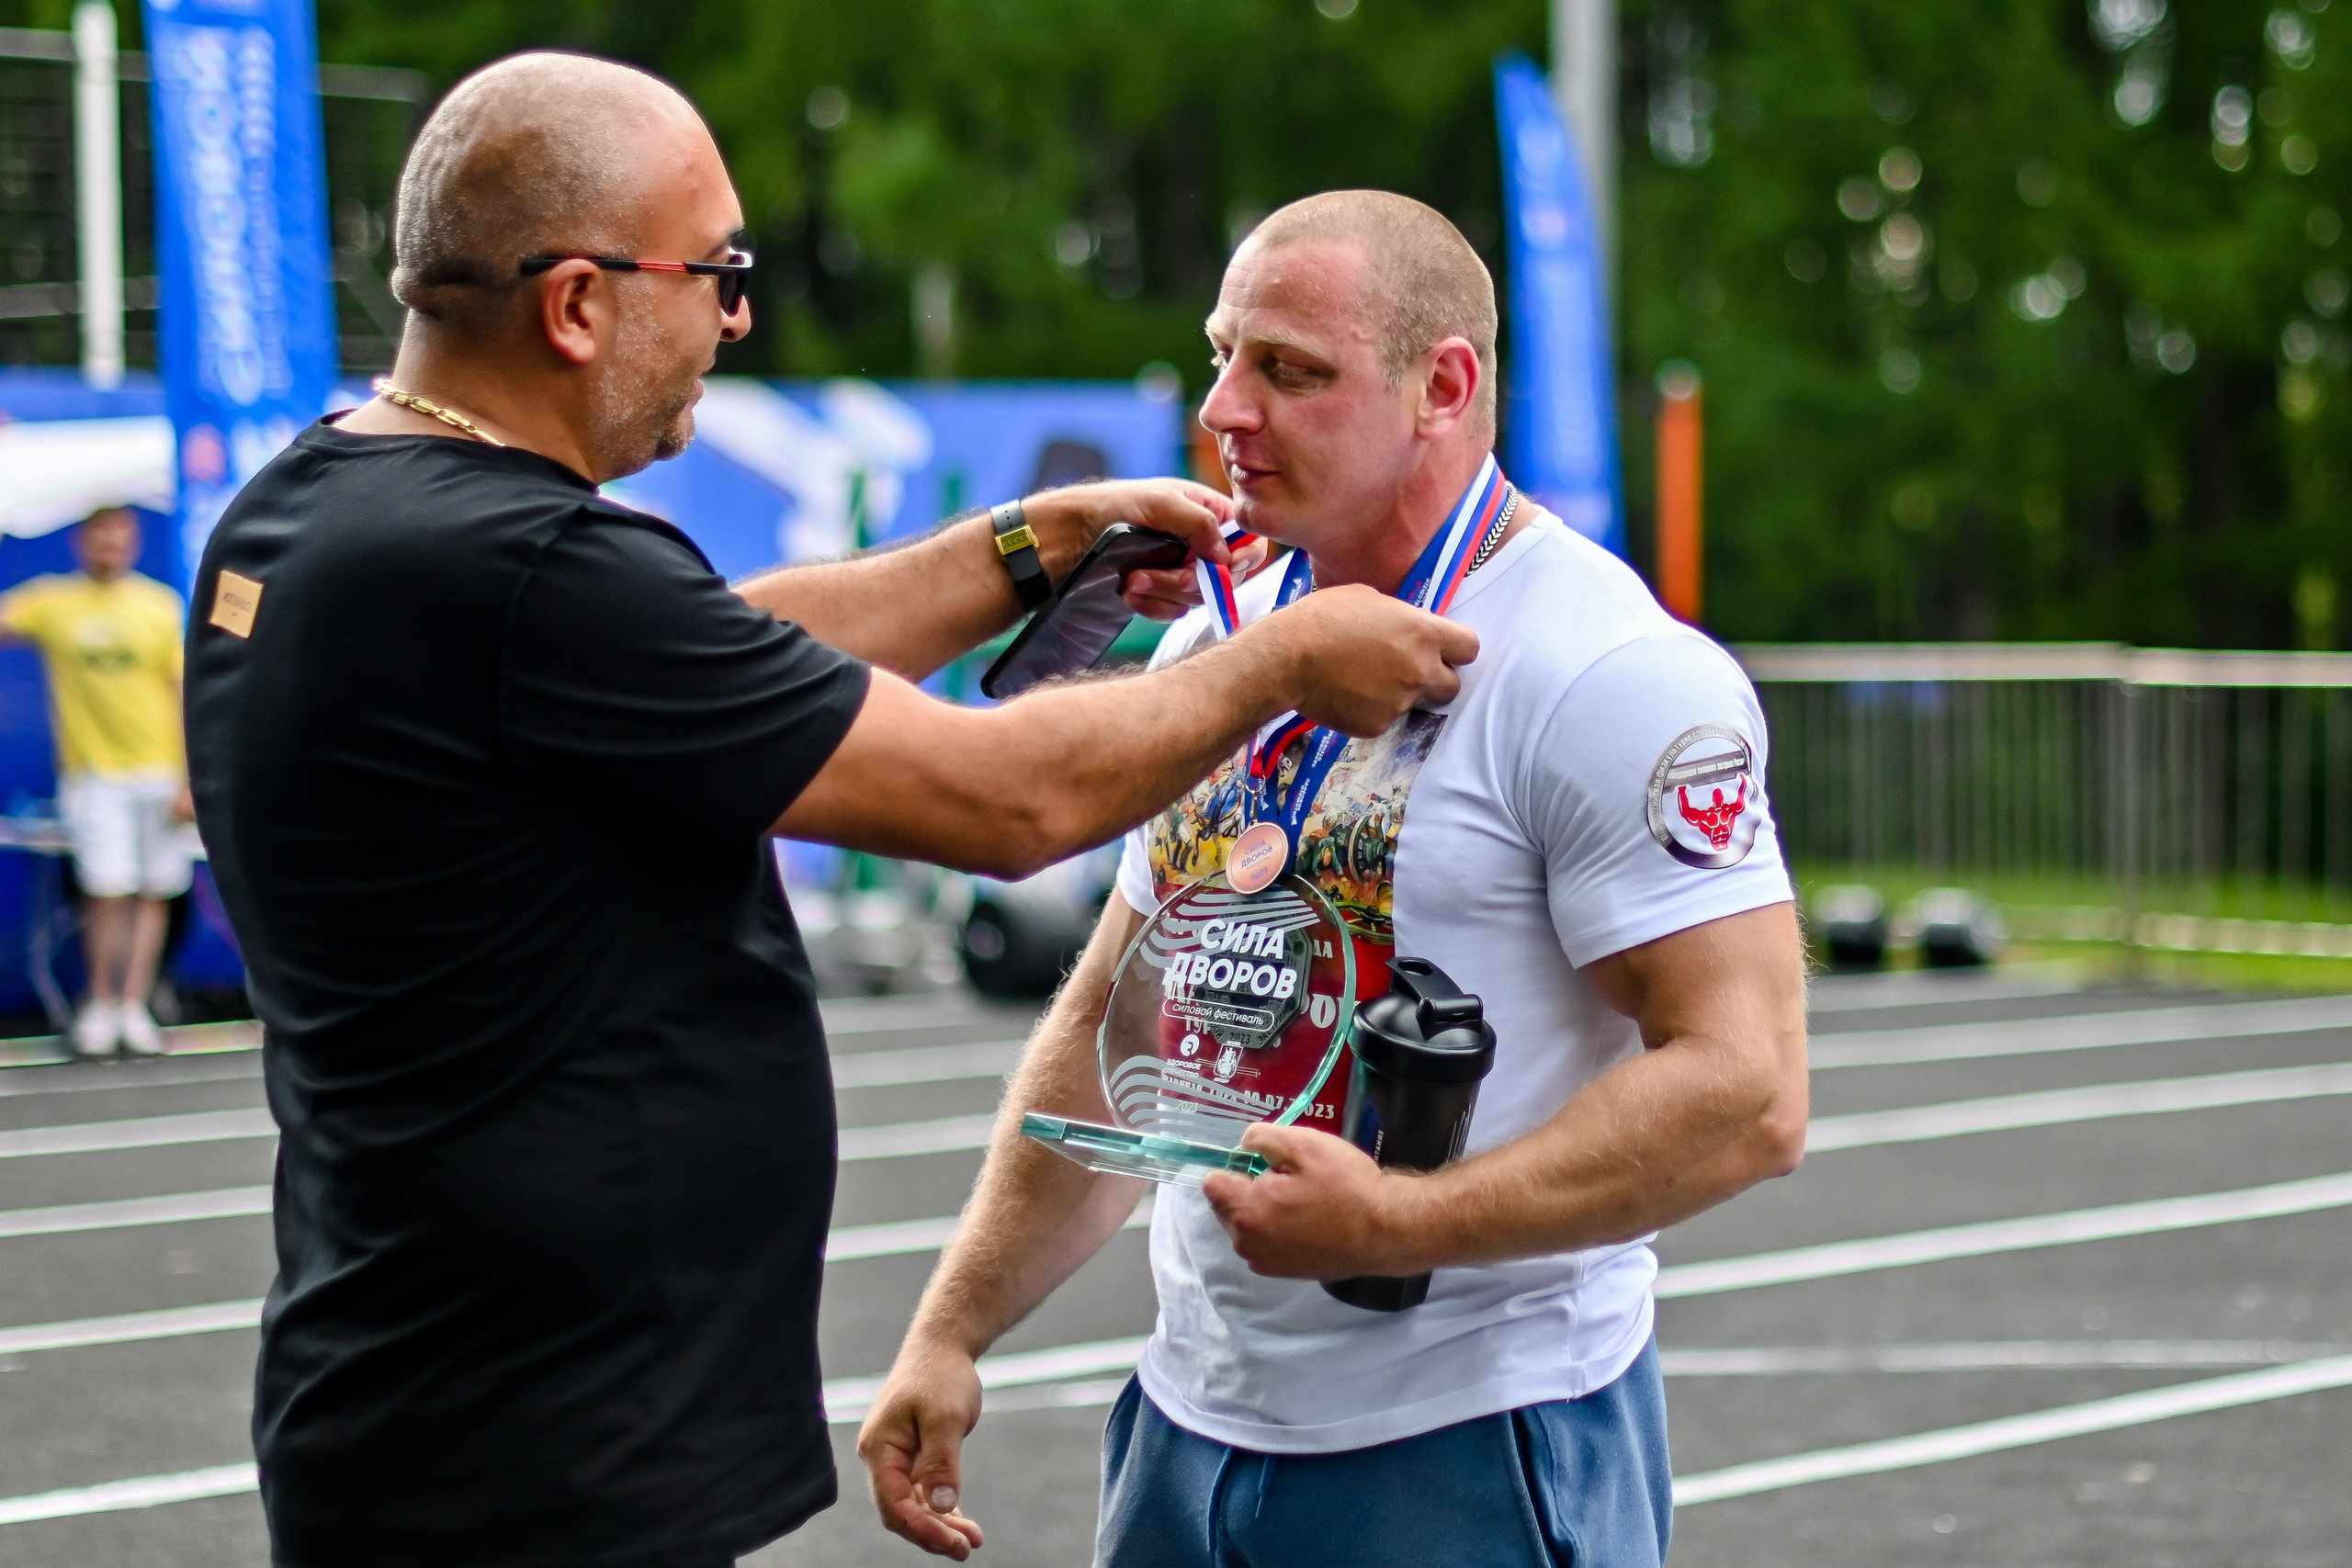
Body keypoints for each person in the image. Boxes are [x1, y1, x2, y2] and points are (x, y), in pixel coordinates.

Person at [183, 55, 1473, 1568]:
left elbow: (714, 647)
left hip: (428, 1383)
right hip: (532, 1445)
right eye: (718, 271)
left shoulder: (337, 498)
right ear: (579, 304)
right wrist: (1275, 663)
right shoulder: (520, 568)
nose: (737, 315)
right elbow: (1012, 799)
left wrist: (1024, 545)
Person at [858, 191, 1812, 1568]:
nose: (1227, 411)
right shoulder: (1218, 644)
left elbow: (1751, 1090)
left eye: (1291, 370)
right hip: (1188, 1426)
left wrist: (1406, 1217)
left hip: (1476, 1437)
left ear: (1446, 385)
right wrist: (952, 1323)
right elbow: (1120, 1019)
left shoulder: (1610, 667)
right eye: (1221, 355)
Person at [0, 505, 193, 1058]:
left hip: (157, 772)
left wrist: (188, 776)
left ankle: (133, 1006)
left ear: (131, 543)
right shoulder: (52, 603)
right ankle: (101, 1004)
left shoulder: (159, 606)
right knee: (106, 890)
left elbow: (181, 690)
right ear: (82, 542)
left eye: (120, 535)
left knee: (152, 891)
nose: (109, 544)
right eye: (99, 535)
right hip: (93, 776)